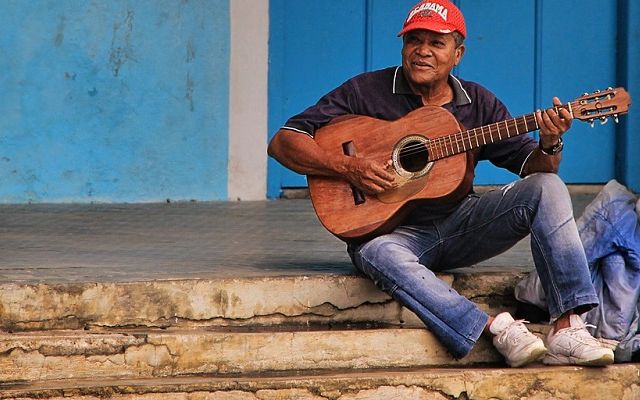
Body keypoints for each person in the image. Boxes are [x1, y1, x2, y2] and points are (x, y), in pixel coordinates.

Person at [268, 0, 614, 367]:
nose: (423, 51)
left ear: (457, 54)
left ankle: (568, 326)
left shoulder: (478, 102)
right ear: (403, 47)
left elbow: (534, 167)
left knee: (548, 186)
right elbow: (284, 141)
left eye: (437, 43)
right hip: (392, 234)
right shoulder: (365, 91)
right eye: (414, 40)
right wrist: (347, 166)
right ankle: (495, 327)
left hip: (462, 225)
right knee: (373, 252)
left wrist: (550, 142)